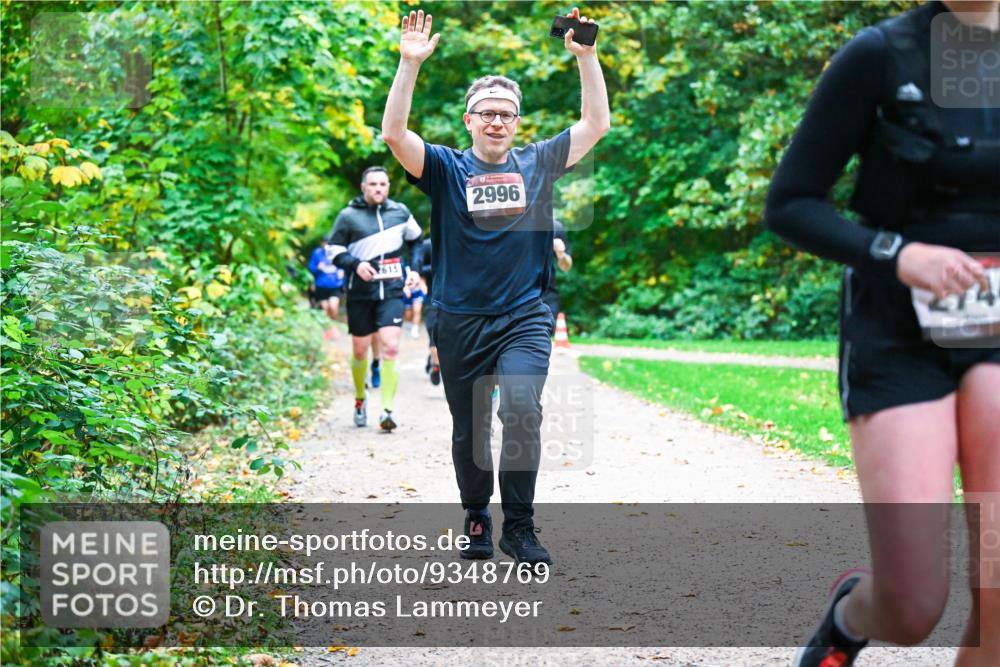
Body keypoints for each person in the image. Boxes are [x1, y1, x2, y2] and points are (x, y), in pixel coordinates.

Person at [765, 2, 999, 665]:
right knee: (913, 604)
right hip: (897, 330)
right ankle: (850, 615)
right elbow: (791, 203)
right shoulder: (880, 54)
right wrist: (900, 254)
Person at [381, 7, 610, 565]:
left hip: (526, 314)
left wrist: (587, 57)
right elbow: (393, 133)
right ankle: (477, 516)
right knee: (471, 429)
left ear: (517, 122)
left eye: (506, 114)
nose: (497, 122)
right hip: (459, 318)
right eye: (486, 113)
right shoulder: (444, 169)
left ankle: (522, 528)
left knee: (523, 409)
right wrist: (409, 65)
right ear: (468, 120)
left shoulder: (539, 162)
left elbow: (595, 125)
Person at [328, 166, 423, 432]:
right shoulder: (348, 216)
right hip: (360, 292)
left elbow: (416, 241)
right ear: (363, 187)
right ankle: (360, 399)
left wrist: (414, 269)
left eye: (383, 184)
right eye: (373, 184)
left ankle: (386, 411)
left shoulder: (400, 212)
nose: (378, 188)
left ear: (388, 187)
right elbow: (333, 251)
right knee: (360, 350)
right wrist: (355, 264)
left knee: (391, 345)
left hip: (392, 290)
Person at [413, 237, 441, 385]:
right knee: (433, 335)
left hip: (457, 301)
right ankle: (436, 366)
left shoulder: (461, 240)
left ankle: (435, 361)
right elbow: (418, 268)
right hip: (432, 299)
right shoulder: (427, 245)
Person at [308, 237, 346, 341]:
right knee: (325, 308)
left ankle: (333, 327)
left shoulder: (337, 252)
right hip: (321, 285)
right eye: (324, 243)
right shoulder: (317, 253)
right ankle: (328, 330)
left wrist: (342, 271)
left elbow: (345, 263)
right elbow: (310, 268)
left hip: (335, 285)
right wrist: (317, 268)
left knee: (333, 306)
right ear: (321, 243)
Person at [541, 219, 573, 333]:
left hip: (547, 293)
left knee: (544, 334)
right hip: (518, 292)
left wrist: (561, 254)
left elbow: (566, 266)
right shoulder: (515, 225)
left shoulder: (555, 227)